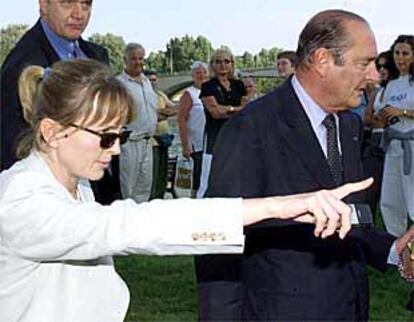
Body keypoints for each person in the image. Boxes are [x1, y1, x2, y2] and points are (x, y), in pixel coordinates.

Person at [0, 58, 372, 322]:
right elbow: (134, 224)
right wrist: (277, 206)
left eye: (121, 135)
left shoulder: (71, 184)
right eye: (106, 137)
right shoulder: (21, 201)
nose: (115, 149)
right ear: (51, 132)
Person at [195, 10, 414, 321]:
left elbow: (346, 220)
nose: (374, 76)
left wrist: (394, 248)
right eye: (363, 63)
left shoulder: (349, 128)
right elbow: (219, 238)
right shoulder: (252, 129)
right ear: (323, 60)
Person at [0, 0, 121, 205]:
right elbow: (13, 147)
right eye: (67, 2)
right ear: (43, 4)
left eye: (86, 4)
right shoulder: (21, 65)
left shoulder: (97, 55)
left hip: (98, 196)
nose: (79, 13)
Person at [197, 48, 247, 197]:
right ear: (212, 65)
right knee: (208, 177)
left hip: (237, 136)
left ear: (232, 64)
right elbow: (215, 113)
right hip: (215, 136)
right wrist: (235, 109)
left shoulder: (239, 85)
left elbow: (247, 110)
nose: (223, 65)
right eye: (218, 62)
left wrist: (227, 109)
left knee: (236, 174)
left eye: (226, 61)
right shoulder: (208, 86)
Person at [378, 35, 414, 237]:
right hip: (394, 146)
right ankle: (400, 252)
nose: (400, 58)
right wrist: (384, 116)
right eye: (397, 53)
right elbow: (387, 112)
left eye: (405, 53)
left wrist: (403, 112)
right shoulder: (391, 84)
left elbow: (401, 112)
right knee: (391, 199)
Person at [116, 43, 157, 203]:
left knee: (144, 187)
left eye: (141, 58)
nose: (138, 62)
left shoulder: (147, 82)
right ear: (125, 60)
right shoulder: (119, 83)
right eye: (133, 59)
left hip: (147, 142)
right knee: (128, 189)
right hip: (129, 142)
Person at [363, 51, 399, 215]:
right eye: (379, 66)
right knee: (369, 188)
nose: (382, 70)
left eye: (386, 66)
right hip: (376, 142)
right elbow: (367, 117)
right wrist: (378, 119)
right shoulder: (378, 93)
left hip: (398, 142)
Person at [177, 61, 209, 197]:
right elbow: (181, 119)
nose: (201, 76)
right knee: (196, 181)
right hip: (196, 145)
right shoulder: (189, 94)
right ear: (193, 75)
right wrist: (185, 145)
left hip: (210, 143)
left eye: (203, 73)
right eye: (197, 73)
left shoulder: (211, 92)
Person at [147, 70, 177, 199]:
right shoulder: (144, 95)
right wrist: (164, 113)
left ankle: (159, 198)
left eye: (154, 80)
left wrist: (159, 112)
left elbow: (175, 109)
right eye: (150, 80)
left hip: (164, 139)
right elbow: (148, 116)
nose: (152, 82)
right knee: (153, 174)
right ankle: (151, 199)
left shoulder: (160, 94)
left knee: (162, 173)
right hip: (151, 141)